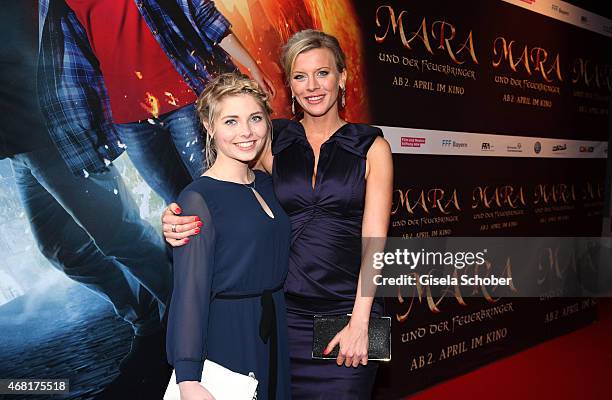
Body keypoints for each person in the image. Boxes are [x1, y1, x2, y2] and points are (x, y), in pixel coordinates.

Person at [163, 29, 393, 399]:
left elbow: (377, 240)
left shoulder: (374, 147)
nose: (313, 86)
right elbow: (232, 186)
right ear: (290, 85)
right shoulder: (276, 142)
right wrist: (174, 215)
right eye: (300, 76)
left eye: (323, 73)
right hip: (289, 316)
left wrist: (361, 322)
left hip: (356, 310)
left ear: (343, 77)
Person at [2, 1, 173, 398]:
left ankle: (191, 323)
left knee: (119, 234)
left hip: (54, 129)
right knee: (61, 249)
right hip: (19, 146)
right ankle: (148, 319)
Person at [38, 0, 275, 205]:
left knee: (225, 195)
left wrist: (252, 66)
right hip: (130, 121)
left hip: (185, 103)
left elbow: (200, 12)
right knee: (182, 207)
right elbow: (71, 61)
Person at [166, 73, 291, 400]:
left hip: (276, 326)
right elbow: (189, 292)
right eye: (231, 121)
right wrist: (188, 377)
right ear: (209, 126)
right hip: (230, 335)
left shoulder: (268, 184)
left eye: (255, 118)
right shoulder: (198, 198)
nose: (246, 132)